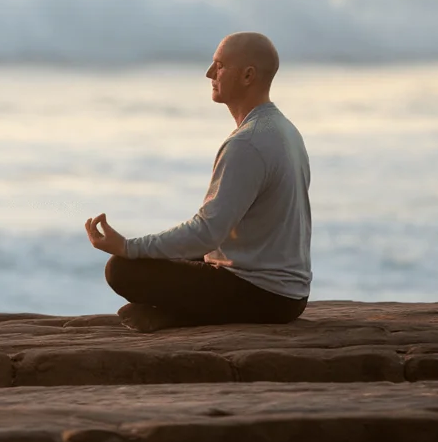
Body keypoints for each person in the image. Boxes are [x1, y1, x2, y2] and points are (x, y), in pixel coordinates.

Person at [83, 32, 311, 331]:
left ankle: (181, 317)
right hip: (291, 293)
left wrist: (128, 246)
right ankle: (175, 314)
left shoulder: (247, 143)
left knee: (122, 269)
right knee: (173, 257)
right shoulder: (285, 129)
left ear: (247, 75)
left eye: (219, 66)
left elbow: (206, 233)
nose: (208, 73)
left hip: (264, 295)